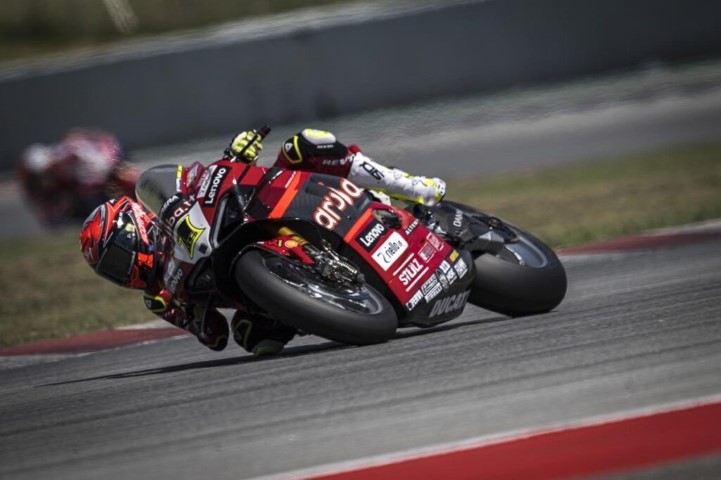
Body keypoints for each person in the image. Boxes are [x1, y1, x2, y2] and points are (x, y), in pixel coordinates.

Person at [79, 128, 447, 356]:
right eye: (112, 271)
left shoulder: (165, 198)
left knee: (306, 144)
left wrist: (234, 157)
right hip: (252, 282)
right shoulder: (159, 298)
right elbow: (215, 337)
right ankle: (330, 300)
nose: (123, 270)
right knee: (252, 338)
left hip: (262, 209)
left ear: (135, 228)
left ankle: (410, 186)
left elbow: (203, 181)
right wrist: (193, 316)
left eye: (118, 256)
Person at [18, 129, 138, 226]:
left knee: (126, 186)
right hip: (98, 174)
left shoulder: (71, 154)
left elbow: (101, 167)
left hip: (109, 163)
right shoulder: (65, 156)